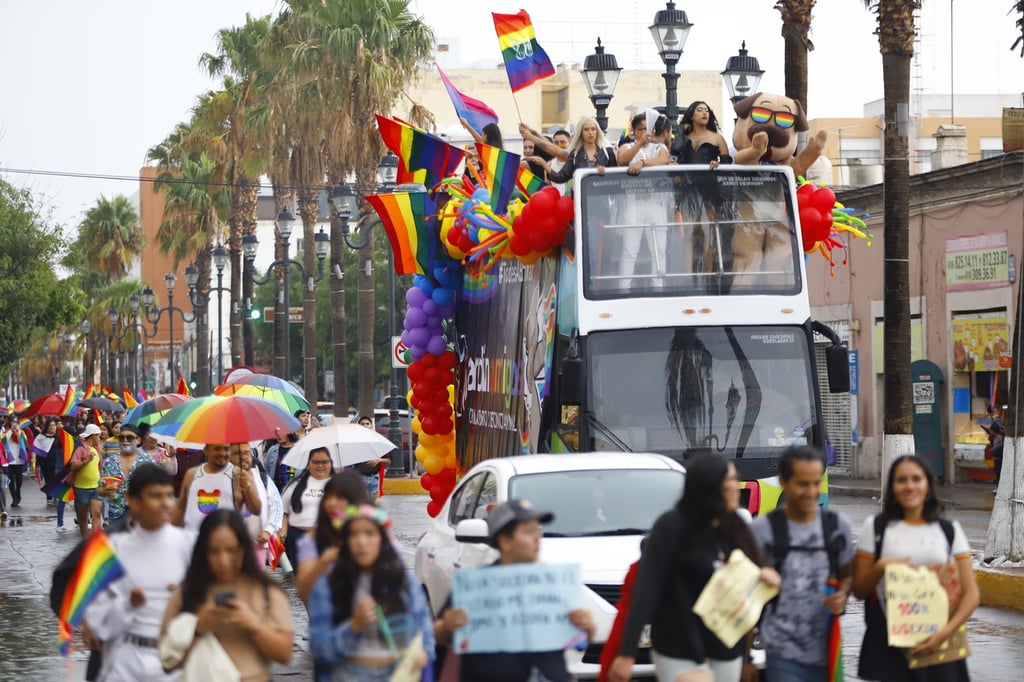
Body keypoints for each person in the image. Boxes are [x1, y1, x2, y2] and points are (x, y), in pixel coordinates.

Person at [608, 454, 779, 682]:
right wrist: (627, 653)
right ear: (711, 486)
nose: (736, 485)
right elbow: (645, 592)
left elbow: (758, 569)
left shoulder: (735, 525)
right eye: (730, 479)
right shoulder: (670, 527)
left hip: (726, 644)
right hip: (678, 644)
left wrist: (767, 575)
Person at [433, 499, 596, 682]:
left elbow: (580, 640)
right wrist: (448, 625)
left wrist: (587, 626)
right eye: (528, 532)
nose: (537, 538)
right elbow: (439, 634)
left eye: (537, 530)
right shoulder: (477, 586)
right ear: (505, 542)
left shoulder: (553, 583)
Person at [852, 454, 979, 682]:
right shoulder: (876, 528)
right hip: (891, 645)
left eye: (916, 479)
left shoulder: (949, 531)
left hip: (941, 645)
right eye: (901, 480)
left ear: (927, 484)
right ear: (892, 486)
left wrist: (944, 633)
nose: (909, 486)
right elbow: (859, 590)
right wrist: (881, 565)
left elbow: (971, 593)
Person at [750, 446, 854, 681]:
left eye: (816, 483)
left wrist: (843, 593)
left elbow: (847, 575)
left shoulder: (837, 527)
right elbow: (747, 596)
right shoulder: (762, 531)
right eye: (802, 484)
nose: (811, 492)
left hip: (827, 650)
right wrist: (747, 658)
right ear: (784, 482)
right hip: (781, 651)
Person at [82, 464, 194, 682]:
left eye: (169, 496)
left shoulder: (189, 545)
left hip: (176, 663)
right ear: (132, 500)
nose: (165, 504)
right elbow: (97, 626)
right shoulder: (110, 551)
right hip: (125, 662)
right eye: (155, 496)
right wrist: (128, 604)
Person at [161, 509, 295, 681]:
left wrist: (252, 624)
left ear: (244, 549)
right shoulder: (186, 594)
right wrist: (199, 628)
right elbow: (168, 663)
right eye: (214, 551)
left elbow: (284, 654)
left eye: (231, 550)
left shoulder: (266, 592)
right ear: (202, 552)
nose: (223, 560)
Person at [308, 503, 434, 681]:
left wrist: (423, 654)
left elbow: (425, 634)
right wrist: (353, 626)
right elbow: (320, 651)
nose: (362, 542)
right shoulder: (328, 585)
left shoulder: (404, 583)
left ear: (382, 539)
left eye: (369, 533)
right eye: (354, 534)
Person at [295, 472, 372, 603]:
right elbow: (302, 591)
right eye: (328, 497)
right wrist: (323, 562)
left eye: (340, 497)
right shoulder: (313, 539)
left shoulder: (374, 534)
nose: (332, 503)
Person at [174, 443, 261, 531]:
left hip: (226, 541)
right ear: (206, 451)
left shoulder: (240, 475)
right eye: (217, 449)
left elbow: (256, 510)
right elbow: (180, 509)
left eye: (226, 449)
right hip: (193, 541)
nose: (222, 453)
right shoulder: (192, 474)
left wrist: (248, 487)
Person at [228, 443, 282, 569]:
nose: (244, 457)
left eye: (247, 453)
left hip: (257, 545)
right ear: (230, 456)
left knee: (255, 584)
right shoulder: (223, 480)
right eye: (238, 454)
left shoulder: (263, 479)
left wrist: (268, 531)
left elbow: (277, 507)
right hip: (232, 545)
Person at [281, 447, 336, 567]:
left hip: (328, 537)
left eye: (324, 462)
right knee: (302, 576)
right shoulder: (295, 485)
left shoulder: (337, 485)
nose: (320, 466)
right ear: (308, 463)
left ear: (331, 463)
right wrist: (283, 531)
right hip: (298, 537)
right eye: (315, 462)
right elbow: (284, 511)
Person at [97, 423, 155, 526]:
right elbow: (99, 490)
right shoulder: (110, 462)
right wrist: (105, 491)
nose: (125, 441)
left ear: (138, 440)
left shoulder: (147, 461)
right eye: (121, 437)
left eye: (130, 438)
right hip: (115, 515)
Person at [542, 117, 618, 192]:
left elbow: (616, 178)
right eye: (586, 129)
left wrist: (606, 172)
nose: (590, 132)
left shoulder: (608, 152)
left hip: (602, 198)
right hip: (581, 199)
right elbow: (561, 177)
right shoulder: (575, 155)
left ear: (597, 131)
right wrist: (544, 164)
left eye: (593, 129)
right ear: (581, 133)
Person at [68, 423, 105, 539]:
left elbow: (99, 466)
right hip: (82, 488)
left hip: (96, 487)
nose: (99, 438)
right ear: (93, 436)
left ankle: (95, 539)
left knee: (97, 514)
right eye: (98, 436)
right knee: (83, 516)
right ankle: (85, 540)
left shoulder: (96, 449)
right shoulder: (81, 449)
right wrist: (86, 461)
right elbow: (73, 465)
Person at [681, 101, 732, 167]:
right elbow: (674, 150)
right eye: (699, 110)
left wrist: (717, 164)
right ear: (691, 116)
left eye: (707, 110)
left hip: (709, 176)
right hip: (686, 176)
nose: (704, 113)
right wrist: (681, 129)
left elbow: (726, 164)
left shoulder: (718, 138)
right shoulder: (684, 136)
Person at [354, 416, 390, 500]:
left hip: (374, 478)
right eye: (362, 424)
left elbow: (388, 460)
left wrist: (378, 460)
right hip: (360, 477)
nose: (365, 425)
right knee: (362, 504)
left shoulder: (378, 441)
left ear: (371, 426)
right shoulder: (354, 441)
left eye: (367, 424)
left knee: (373, 505)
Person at [3, 420, 31, 508]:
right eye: (13, 423)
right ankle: (14, 498)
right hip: (10, 460)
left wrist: (18, 431)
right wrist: (11, 431)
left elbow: (26, 444)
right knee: (10, 480)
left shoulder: (21, 433)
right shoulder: (6, 433)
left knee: (19, 480)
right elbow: (3, 441)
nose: (14, 425)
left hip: (19, 460)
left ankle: (18, 491)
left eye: (16, 423)